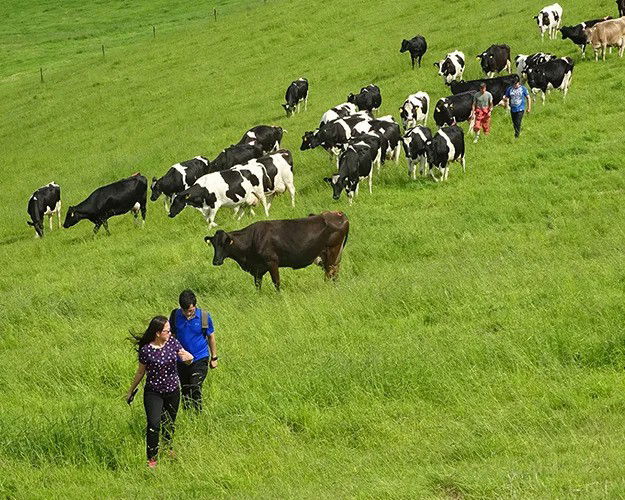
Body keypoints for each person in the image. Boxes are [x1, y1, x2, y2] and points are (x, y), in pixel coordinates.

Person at [127, 316, 193, 468]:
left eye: (170, 330)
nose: (169, 333)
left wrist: (189, 358)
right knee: (153, 424)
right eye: (166, 331)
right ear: (157, 333)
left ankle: (168, 447)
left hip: (173, 391)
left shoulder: (173, 343)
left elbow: (186, 356)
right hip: (153, 392)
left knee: (169, 423)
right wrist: (130, 390)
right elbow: (140, 372)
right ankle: (152, 459)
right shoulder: (146, 350)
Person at [169, 290, 218, 412]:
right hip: (181, 360)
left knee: (195, 386)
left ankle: (198, 414)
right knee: (185, 389)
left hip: (200, 357)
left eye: (190, 311)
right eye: (184, 311)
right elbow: (172, 337)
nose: (187, 314)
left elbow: (211, 337)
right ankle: (188, 415)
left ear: (195, 306)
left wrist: (214, 357)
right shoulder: (175, 315)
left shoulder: (204, 316)